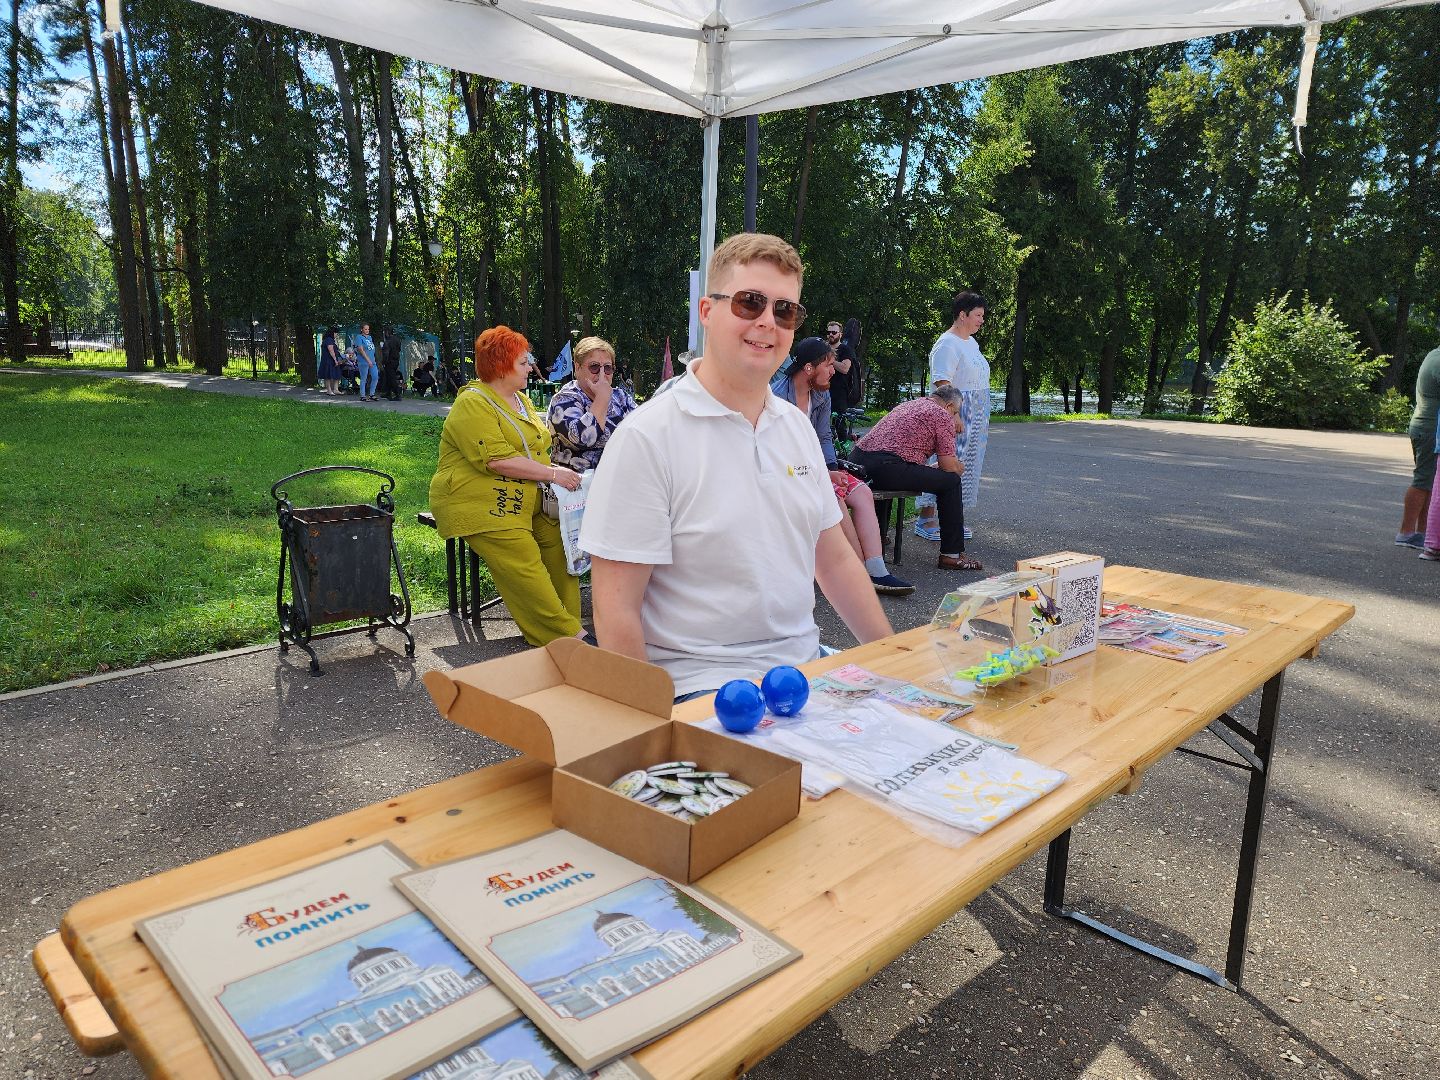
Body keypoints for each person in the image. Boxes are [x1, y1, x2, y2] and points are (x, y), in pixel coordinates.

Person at [582, 232, 893, 700]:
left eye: (785, 310)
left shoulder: (795, 427)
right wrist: (650, 731)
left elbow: (833, 561)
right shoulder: (647, 439)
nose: (769, 322)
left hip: (805, 674)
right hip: (700, 692)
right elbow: (615, 612)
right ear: (707, 311)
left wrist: (894, 663)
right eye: (751, 303)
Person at [428, 326, 588, 647]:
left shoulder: (521, 400)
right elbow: (496, 460)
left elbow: (538, 445)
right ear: (501, 366)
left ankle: (569, 622)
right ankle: (569, 638)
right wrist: (555, 475)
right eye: (523, 362)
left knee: (561, 547)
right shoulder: (472, 404)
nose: (531, 366)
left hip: (529, 497)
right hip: (482, 503)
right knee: (523, 561)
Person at [771, 335, 915, 596]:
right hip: (787, 472)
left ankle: (877, 569)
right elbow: (777, 448)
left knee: (862, 492)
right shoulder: (777, 398)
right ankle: (859, 574)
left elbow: (824, 436)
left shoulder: (821, 396)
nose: (832, 372)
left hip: (817, 468)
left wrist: (829, 468)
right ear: (808, 369)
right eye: (827, 365)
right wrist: (824, 474)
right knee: (834, 497)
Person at [850, 386, 981, 572]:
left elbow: (896, 449)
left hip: (859, 462)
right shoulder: (942, 415)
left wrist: (929, 469)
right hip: (887, 467)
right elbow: (949, 466)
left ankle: (877, 536)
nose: (954, 418)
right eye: (955, 412)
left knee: (890, 476)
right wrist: (959, 467)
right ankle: (951, 555)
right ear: (949, 405)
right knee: (951, 481)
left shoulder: (910, 405)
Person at [914, 292, 989, 543]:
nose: (981, 320)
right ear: (962, 315)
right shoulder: (947, 344)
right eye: (978, 315)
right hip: (953, 413)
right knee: (944, 461)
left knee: (965, 466)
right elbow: (942, 383)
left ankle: (952, 519)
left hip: (974, 415)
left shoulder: (970, 343)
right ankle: (927, 518)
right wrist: (953, 414)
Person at [546, 336, 639, 472]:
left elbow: (644, 430)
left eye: (608, 368)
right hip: (575, 486)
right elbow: (583, 438)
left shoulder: (621, 397)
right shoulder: (564, 399)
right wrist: (602, 398)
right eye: (594, 367)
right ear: (577, 368)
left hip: (616, 481)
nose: (602, 374)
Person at [1397, 345, 1440, 549]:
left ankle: (1424, 533)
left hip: (1425, 426)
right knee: (1423, 480)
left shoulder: (1433, 354)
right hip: (1429, 428)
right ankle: (1406, 532)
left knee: (1430, 483)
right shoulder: (1438, 360)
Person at [354, 322, 379, 402]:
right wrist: (368, 360)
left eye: (368, 329)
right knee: (364, 378)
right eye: (365, 329)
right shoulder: (359, 337)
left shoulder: (370, 337)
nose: (367, 330)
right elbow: (361, 350)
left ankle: (372, 394)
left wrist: (372, 360)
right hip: (363, 361)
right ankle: (363, 395)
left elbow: (371, 349)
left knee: (375, 376)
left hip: (372, 360)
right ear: (361, 329)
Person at [380, 327, 404, 401]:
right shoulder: (397, 340)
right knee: (388, 376)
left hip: (389, 361)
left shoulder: (388, 341)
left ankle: (397, 394)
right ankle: (388, 392)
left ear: (387, 332)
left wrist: (383, 362)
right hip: (396, 360)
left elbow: (386, 353)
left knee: (391, 377)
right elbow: (399, 349)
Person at [318, 327, 341, 395]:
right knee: (328, 375)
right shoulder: (329, 340)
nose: (337, 335)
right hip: (329, 360)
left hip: (331, 360)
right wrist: (335, 360)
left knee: (336, 374)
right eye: (336, 333)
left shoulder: (330, 340)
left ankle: (336, 389)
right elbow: (331, 350)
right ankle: (329, 390)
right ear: (333, 333)